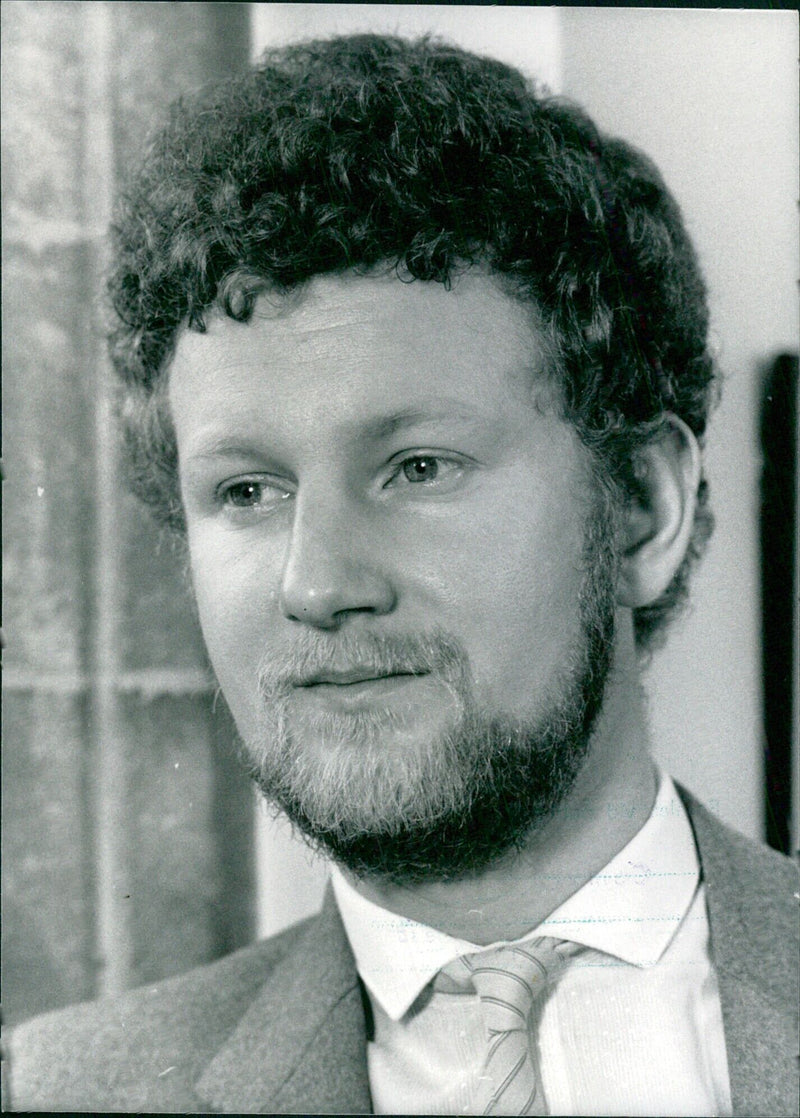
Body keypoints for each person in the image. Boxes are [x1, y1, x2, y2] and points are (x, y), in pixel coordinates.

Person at [2, 33, 797, 1117]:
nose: (317, 582)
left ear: (642, 508)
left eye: (416, 467)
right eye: (247, 490)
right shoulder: (65, 1092)